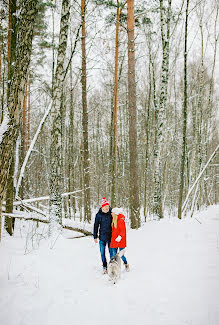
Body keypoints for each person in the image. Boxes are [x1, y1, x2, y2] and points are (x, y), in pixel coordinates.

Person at [93, 197, 113, 273]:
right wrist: (95, 236)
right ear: (102, 207)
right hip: (102, 237)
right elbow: (96, 226)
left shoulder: (111, 213)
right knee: (102, 253)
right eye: (105, 207)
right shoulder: (98, 215)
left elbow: (118, 218)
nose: (106, 208)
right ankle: (105, 266)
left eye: (107, 207)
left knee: (112, 253)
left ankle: (111, 266)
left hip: (111, 236)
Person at [110, 207, 130, 271]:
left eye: (112, 212)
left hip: (120, 240)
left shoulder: (121, 220)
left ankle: (126, 264)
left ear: (115, 213)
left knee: (121, 255)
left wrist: (120, 236)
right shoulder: (114, 220)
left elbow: (123, 230)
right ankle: (115, 268)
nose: (111, 213)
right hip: (114, 240)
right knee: (114, 255)